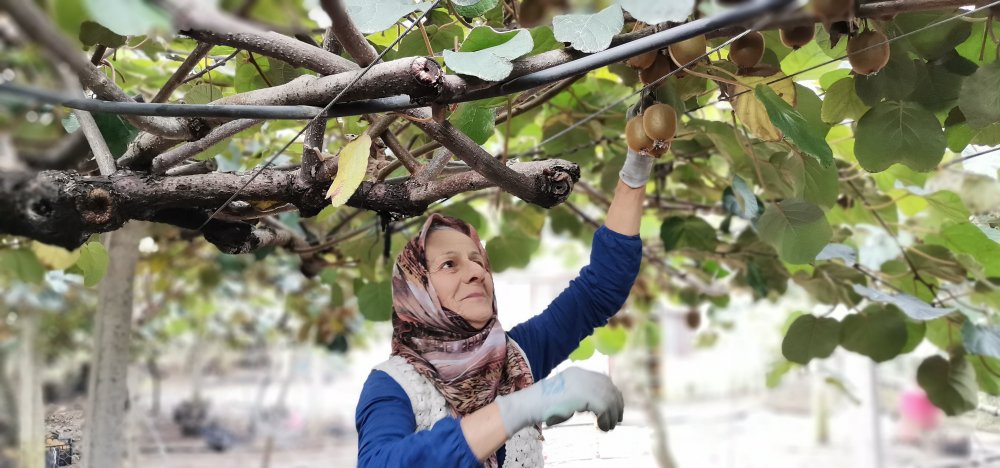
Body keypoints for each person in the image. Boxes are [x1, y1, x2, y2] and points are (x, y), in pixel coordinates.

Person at [354, 143, 655, 467]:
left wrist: (636, 166)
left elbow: (599, 290)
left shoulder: (514, 357)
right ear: (417, 291)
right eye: (449, 265)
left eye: (477, 260)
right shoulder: (392, 384)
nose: (476, 272)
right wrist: (521, 406)